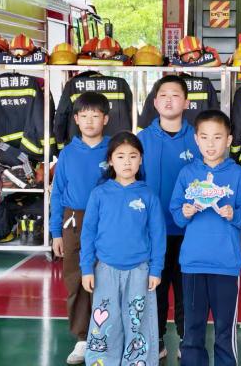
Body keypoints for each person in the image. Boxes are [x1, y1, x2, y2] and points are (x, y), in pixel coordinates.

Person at [170, 110, 241, 366]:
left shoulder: (238, 175)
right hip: (193, 264)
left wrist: (234, 215)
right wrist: (185, 212)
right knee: (192, 330)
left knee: (224, 330)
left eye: (217, 137)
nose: (211, 144)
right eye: (205, 137)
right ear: (196, 139)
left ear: (228, 140)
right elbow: (176, 214)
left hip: (226, 265)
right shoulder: (187, 174)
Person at [80, 131, 166, 366]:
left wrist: (156, 269)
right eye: (120, 156)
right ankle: (101, 360)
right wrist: (87, 268)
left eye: (133, 156)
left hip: (140, 271)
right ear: (110, 160)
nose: (127, 162)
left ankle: (137, 361)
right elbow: (88, 233)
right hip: (105, 269)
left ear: (141, 160)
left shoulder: (148, 195)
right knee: (106, 319)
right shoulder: (99, 194)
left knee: (138, 321)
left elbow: (158, 235)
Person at [137, 75, 201, 359]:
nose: (169, 100)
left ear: (186, 103)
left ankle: (188, 338)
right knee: (155, 286)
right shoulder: (142, 140)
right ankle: (157, 338)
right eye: (163, 95)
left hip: (191, 229)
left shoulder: (199, 138)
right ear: (155, 102)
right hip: (154, 230)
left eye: (175, 95)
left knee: (188, 287)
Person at [50, 91, 110, 365]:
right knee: (77, 279)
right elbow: (57, 194)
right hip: (74, 222)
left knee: (108, 277)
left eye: (95, 116)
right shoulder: (67, 154)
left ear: (105, 119)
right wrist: (56, 233)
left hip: (108, 221)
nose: (89, 121)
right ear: (75, 119)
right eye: (84, 116)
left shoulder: (114, 149)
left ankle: (107, 333)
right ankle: (83, 337)